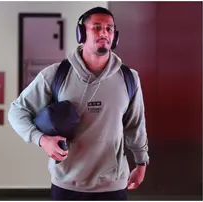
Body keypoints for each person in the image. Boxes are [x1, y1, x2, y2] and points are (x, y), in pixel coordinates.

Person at [8, 6, 149, 201]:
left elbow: (135, 125)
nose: (104, 33)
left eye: (109, 29)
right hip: (67, 185)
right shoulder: (55, 75)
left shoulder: (129, 78)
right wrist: (41, 139)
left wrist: (141, 163)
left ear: (115, 36)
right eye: (97, 27)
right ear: (81, 33)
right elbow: (16, 111)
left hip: (112, 186)